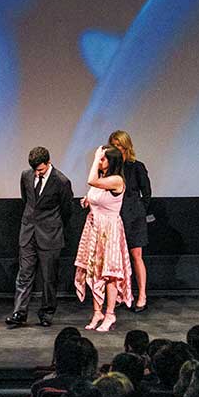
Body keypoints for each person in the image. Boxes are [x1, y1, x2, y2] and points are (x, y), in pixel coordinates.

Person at [7, 145, 74, 328]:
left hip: (50, 235)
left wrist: (54, 226)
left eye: (41, 169)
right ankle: (19, 313)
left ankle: (47, 313)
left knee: (48, 278)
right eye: (35, 170)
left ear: (48, 162)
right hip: (28, 232)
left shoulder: (61, 181)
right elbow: (26, 200)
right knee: (24, 274)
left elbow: (67, 209)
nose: (37, 173)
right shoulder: (26, 176)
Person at [74, 145, 132, 332]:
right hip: (94, 228)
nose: (100, 162)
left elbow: (90, 181)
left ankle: (110, 314)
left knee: (110, 274)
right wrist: (88, 201)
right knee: (94, 270)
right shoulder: (103, 179)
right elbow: (95, 194)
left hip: (110, 230)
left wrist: (94, 159)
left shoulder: (116, 180)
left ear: (111, 161)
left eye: (103, 159)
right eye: (99, 158)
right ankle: (97, 311)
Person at [108, 131, 152, 312]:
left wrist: (140, 211)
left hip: (134, 217)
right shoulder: (111, 168)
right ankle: (119, 294)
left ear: (126, 146)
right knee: (117, 259)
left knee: (136, 256)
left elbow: (147, 193)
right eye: (113, 145)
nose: (116, 148)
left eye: (119, 145)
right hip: (115, 217)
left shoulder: (136, 166)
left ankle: (141, 295)